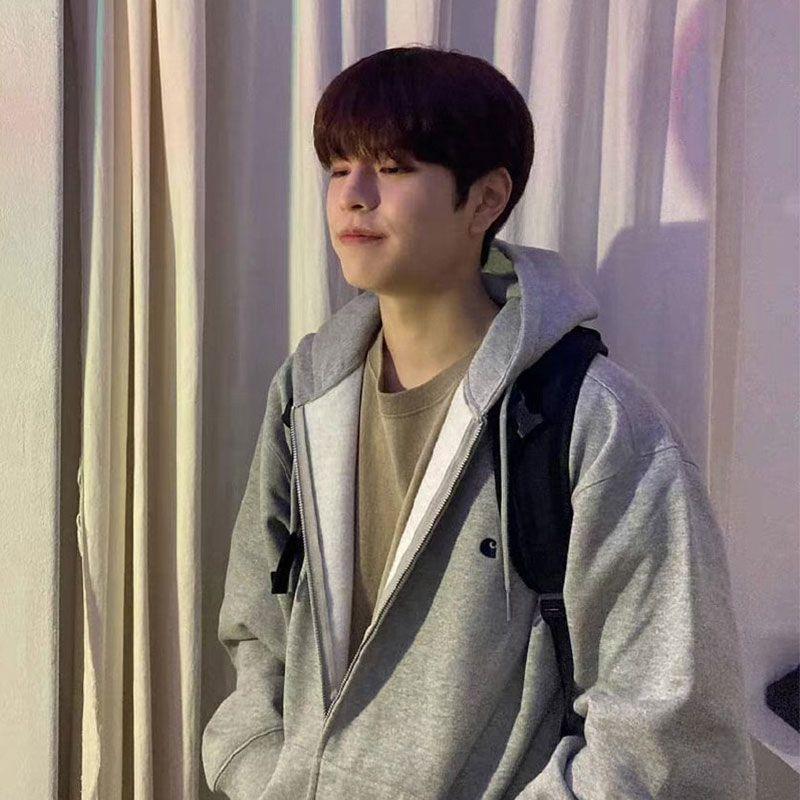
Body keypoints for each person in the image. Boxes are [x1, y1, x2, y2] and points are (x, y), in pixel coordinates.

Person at [202, 45, 756, 799]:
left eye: (393, 167)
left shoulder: (592, 421)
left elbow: (668, 731)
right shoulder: (308, 393)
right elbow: (257, 626)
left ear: (486, 200)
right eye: (338, 167)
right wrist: (258, 768)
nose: (353, 196)